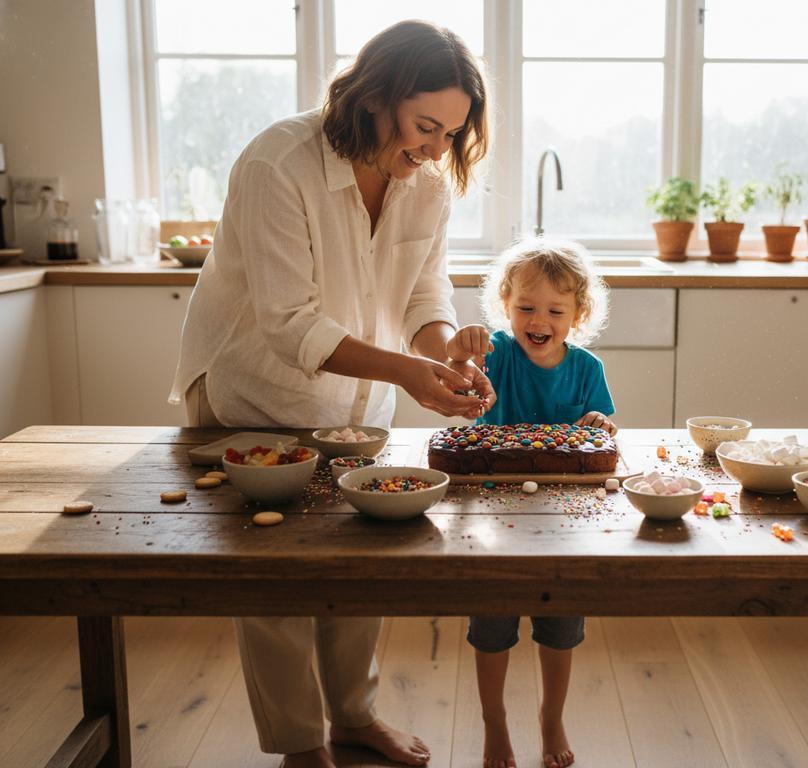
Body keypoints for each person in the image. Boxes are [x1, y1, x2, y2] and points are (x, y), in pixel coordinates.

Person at [169, 20, 494, 768]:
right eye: (424, 126)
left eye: (451, 132)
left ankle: (352, 717)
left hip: (359, 405)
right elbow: (287, 325)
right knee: (276, 580)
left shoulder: (428, 185)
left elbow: (423, 292)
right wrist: (410, 375)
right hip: (252, 391)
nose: (436, 149)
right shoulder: (279, 162)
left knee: (361, 561)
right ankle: (300, 746)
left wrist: (444, 354)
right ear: (375, 96)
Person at [446, 238, 616, 768]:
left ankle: (551, 717)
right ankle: (494, 720)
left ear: (577, 316)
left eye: (554, 310)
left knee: (561, 626)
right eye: (525, 307)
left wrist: (598, 424)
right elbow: (455, 367)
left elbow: (604, 428)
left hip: (567, 517)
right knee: (492, 625)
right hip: (495, 514)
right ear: (505, 306)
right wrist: (460, 346)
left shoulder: (586, 369)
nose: (537, 320)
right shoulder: (493, 353)